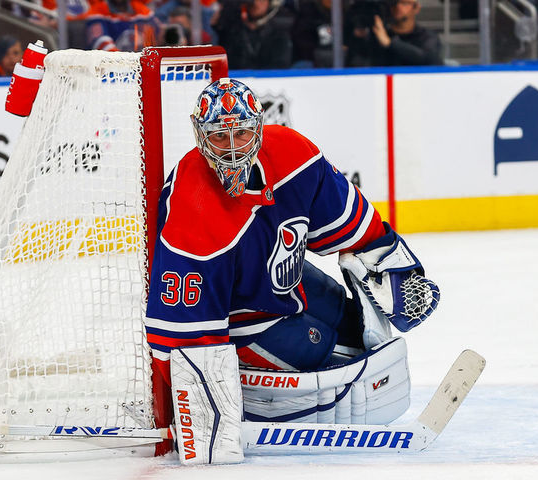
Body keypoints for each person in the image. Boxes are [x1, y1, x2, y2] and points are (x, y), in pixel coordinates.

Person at [145, 78, 440, 436]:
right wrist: (197, 412)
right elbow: (178, 332)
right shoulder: (193, 209)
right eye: (219, 137)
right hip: (241, 320)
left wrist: (390, 262)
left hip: (284, 281)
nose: (233, 150)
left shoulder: (293, 154)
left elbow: (350, 221)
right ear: (200, 135)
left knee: (355, 325)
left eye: (240, 134)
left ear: (259, 126)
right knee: (348, 363)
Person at [345, 0, 443, 67]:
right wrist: (358, 36)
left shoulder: (427, 37)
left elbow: (429, 60)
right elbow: (355, 63)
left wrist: (390, 43)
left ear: (416, 8)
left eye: (404, 3)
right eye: (394, 3)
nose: (398, 7)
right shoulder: (377, 36)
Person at [214, 0, 295, 70]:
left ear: (270, 3)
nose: (256, 4)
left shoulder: (280, 27)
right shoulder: (234, 26)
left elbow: (280, 65)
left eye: (261, 0)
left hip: (270, 78)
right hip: (238, 77)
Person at [84, 0, 156, 51]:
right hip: (111, 65)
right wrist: (119, 59)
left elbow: (157, 36)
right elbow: (99, 40)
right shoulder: (98, 10)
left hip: (140, 62)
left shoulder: (143, 11)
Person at [291, 0, 335, 68]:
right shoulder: (308, 12)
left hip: (342, 61)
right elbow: (302, 39)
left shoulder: (347, 12)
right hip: (312, 60)